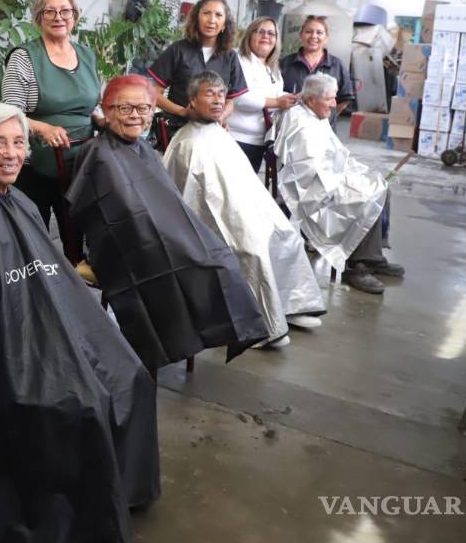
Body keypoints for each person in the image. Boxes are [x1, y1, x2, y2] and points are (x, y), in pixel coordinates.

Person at [0, 103, 160, 543]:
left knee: (127, 373)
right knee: (79, 401)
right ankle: (78, 513)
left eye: (19, 142)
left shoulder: (20, 201)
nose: (11, 153)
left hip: (49, 324)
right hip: (2, 344)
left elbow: (50, 276)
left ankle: (117, 491)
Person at [66, 74, 268, 372]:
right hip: (128, 245)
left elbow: (166, 203)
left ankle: (199, 334)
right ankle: (175, 340)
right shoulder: (100, 155)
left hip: (160, 234)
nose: (136, 116)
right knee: (201, 267)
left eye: (144, 109)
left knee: (223, 260)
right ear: (107, 112)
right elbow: (118, 217)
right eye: (125, 109)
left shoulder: (141, 148)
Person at [162, 72, 326, 348]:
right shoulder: (187, 144)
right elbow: (189, 199)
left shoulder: (218, 133)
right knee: (252, 248)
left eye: (220, 94)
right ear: (192, 100)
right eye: (208, 94)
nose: (217, 101)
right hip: (213, 222)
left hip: (242, 208)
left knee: (284, 231)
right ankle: (260, 326)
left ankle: (290, 303)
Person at [272, 73, 405, 295]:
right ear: (312, 100)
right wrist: (344, 178)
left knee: (382, 186)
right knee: (366, 197)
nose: (335, 105)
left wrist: (351, 171)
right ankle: (356, 266)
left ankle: (374, 256)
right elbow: (306, 168)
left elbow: (334, 153)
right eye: (330, 99)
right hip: (312, 187)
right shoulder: (300, 123)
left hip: (331, 174)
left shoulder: (315, 116)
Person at [1, 0, 101, 230]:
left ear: (75, 16)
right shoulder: (24, 57)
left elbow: (94, 103)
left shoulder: (87, 55)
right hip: (37, 164)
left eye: (65, 11)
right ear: (38, 18)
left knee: (78, 236)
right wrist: (43, 128)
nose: (59, 18)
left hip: (81, 164)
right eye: (50, 12)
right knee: (36, 237)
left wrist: (103, 118)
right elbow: (9, 113)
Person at [149, 0, 248, 131]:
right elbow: (154, 92)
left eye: (218, 15)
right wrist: (181, 111)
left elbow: (230, 100)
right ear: (196, 18)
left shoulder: (230, 57)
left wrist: (221, 116)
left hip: (210, 132)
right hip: (174, 129)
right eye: (206, 13)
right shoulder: (178, 50)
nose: (212, 20)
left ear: (224, 25)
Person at [228, 16, 297, 172]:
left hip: (259, 141)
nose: (266, 36)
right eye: (260, 32)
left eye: (271, 34)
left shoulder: (273, 69)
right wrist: (278, 103)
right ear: (249, 36)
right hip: (236, 139)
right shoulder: (239, 61)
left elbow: (276, 94)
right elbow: (240, 98)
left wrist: (296, 98)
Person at [279, 15, 354, 129]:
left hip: (324, 130)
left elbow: (345, 98)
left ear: (326, 37)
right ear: (301, 35)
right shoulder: (285, 64)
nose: (314, 36)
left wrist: (328, 115)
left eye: (319, 32)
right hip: (291, 128)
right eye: (308, 31)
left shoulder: (337, 65)